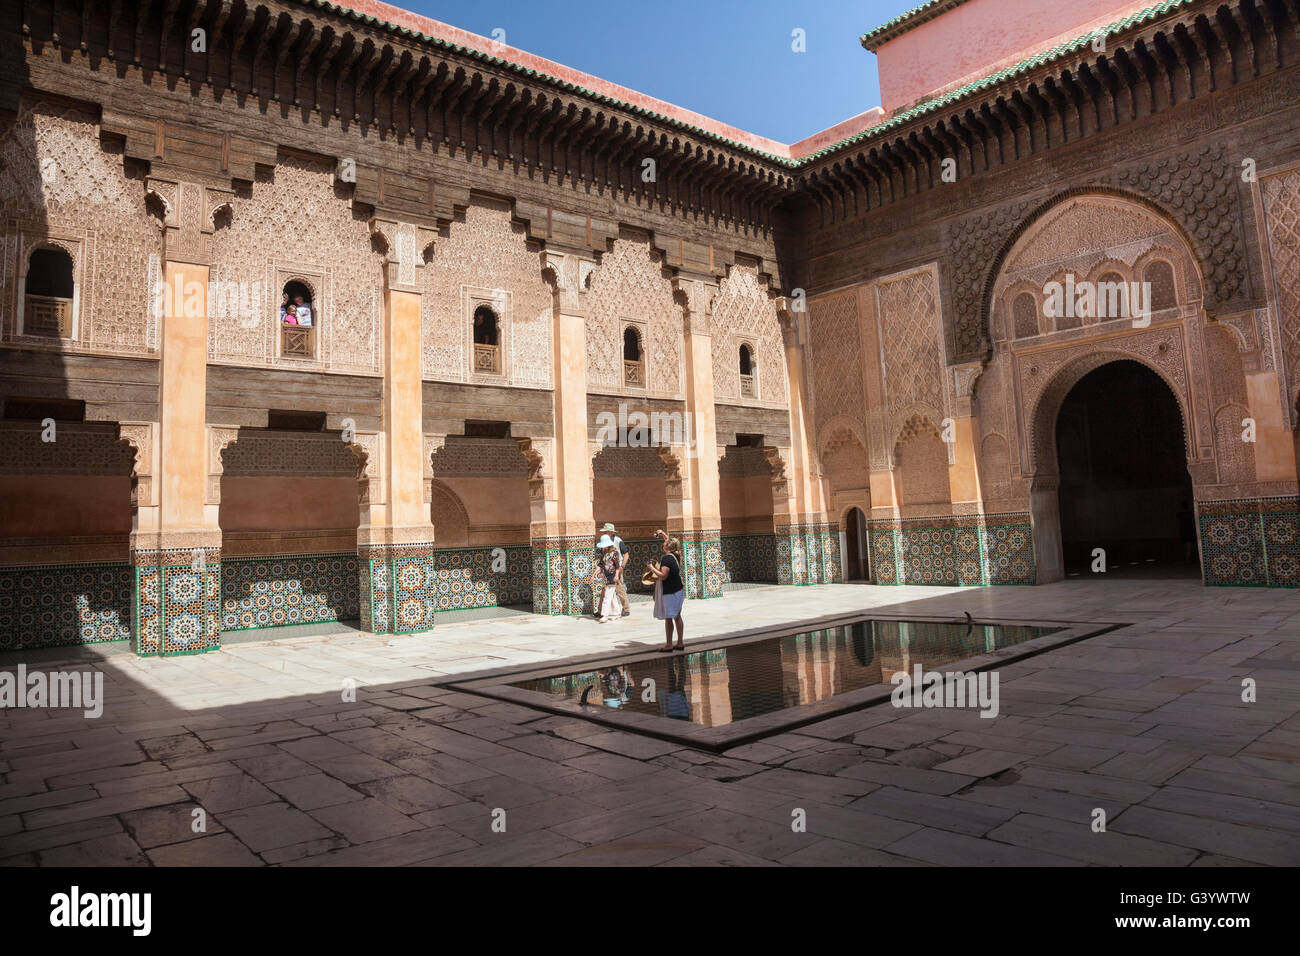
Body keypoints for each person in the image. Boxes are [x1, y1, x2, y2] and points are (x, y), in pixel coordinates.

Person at [647, 528, 685, 651]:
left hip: (670, 592)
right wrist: (663, 534)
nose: (664, 543)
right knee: (677, 616)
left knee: (669, 618)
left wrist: (651, 568)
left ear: (667, 547)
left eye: (665, 543)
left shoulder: (666, 558)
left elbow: (663, 576)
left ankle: (669, 645)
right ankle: (680, 643)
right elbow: (669, 541)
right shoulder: (676, 555)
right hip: (679, 590)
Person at [598, 522, 631, 617]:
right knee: (605, 589)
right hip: (607, 570)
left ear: (611, 532)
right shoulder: (604, 541)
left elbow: (626, 554)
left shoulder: (617, 541)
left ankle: (626, 609)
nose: (604, 533)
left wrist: (622, 567)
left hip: (617, 569)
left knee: (620, 588)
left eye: (606, 531)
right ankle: (600, 611)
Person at [595, 534, 623, 623]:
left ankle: (605, 615)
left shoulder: (615, 553)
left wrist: (616, 576)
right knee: (612, 596)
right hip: (606, 577)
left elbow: (618, 566)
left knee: (607, 596)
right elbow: (601, 564)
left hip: (612, 577)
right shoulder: (605, 553)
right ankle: (617, 613)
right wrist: (597, 573)